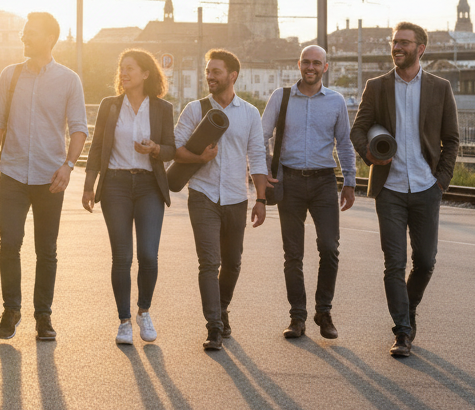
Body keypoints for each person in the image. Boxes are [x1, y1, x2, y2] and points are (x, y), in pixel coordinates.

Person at [351, 21, 459, 358]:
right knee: (394, 264)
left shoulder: (440, 88)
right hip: (391, 190)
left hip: (427, 188)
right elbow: (358, 130)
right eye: (394, 42)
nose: (397, 47)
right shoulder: (377, 86)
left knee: (425, 262)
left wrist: (441, 181)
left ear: (420, 48)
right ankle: (402, 331)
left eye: (404, 42)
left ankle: (408, 312)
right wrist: (369, 156)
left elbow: (451, 140)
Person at [0, 12, 88, 341]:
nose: (24, 38)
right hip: (12, 174)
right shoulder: (9, 76)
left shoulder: (69, 80)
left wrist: (68, 167)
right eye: (24, 33)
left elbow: (79, 129)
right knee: (9, 244)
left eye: (30, 34)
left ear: (49, 38)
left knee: (47, 250)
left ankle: (43, 317)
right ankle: (11, 309)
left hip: (50, 177)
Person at [173, 49, 268, 350]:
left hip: (236, 197)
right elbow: (175, 150)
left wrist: (261, 198)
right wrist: (199, 156)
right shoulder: (194, 109)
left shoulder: (250, 113)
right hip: (202, 194)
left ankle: (222, 308)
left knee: (233, 263)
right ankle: (213, 326)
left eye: (215, 71)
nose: (209, 76)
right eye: (208, 71)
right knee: (209, 263)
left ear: (232, 76)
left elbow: (257, 156)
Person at [261, 45, 356, 341]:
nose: (311, 67)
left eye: (317, 63)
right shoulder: (281, 97)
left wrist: (350, 181)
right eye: (306, 62)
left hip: (324, 182)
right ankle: (297, 317)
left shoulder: (336, 101)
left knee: (329, 247)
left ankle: (323, 311)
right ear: (298, 64)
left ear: (325, 67)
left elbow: (344, 143)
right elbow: (261, 136)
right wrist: (267, 172)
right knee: (293, 254)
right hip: (288, 182)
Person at [81, 49, 176, 345]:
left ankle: (143, 311)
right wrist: (89, 185)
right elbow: (96, 148)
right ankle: (124, 320)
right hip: (116, 186)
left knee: (148, 255)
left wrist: (155, 149)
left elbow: (172, 149)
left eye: (130, 68)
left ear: (146, 73)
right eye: (122, 68)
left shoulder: (162, 109)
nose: (124, 72)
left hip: (149, 186)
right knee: (122, 256)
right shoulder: (110, 105)